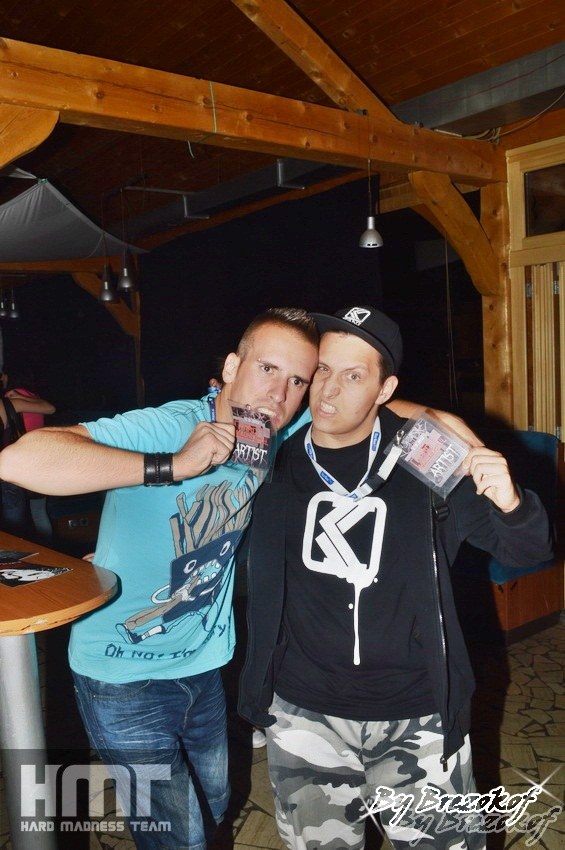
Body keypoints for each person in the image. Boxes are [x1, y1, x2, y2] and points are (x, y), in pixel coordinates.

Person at [0, 307, 320, 850]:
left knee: (213, 806)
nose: (278, 394)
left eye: (297, 381)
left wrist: (443, 430)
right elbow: (19, 461)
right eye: (267, 369)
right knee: (180, 837)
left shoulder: (276, 429)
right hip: (122, 673)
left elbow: (360, 407)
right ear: (231, 367)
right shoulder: (172, 425)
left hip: (203, 664)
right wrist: (171, 465)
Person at [238, 305, 553, 850]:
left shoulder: (424, 454)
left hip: (416, 713)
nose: (328, 391)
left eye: (354, 376)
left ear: (385, 390)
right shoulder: (275, 456)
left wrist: (511, 501)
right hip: (304, 715)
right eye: (322, 371)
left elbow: (526, 548)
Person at [0, 379, 55, 538]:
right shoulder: (10, 402)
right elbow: (50, 408)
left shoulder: (10, 400)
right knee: (21, 525)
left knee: (31, 516)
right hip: (16, 469)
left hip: (22, 465)